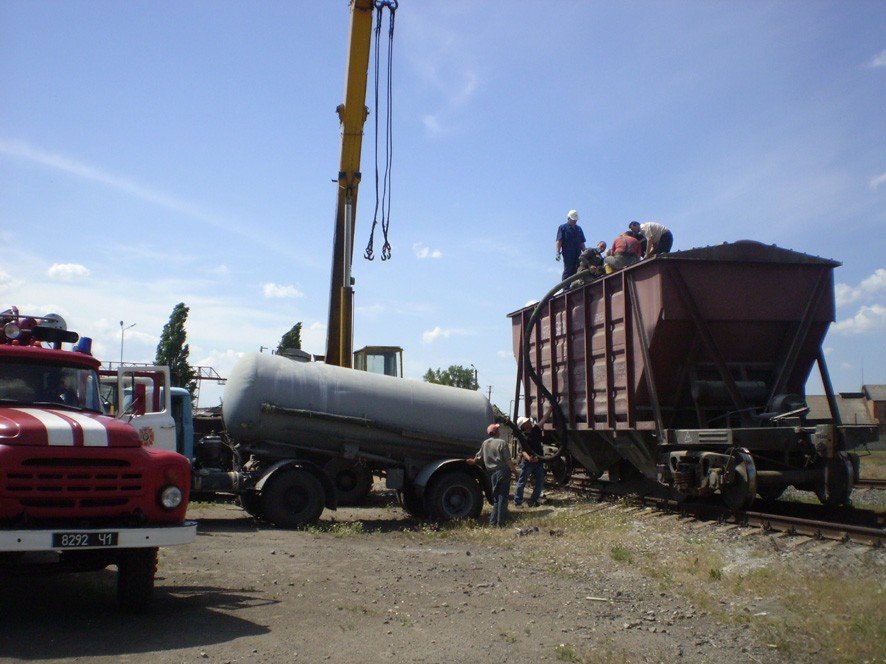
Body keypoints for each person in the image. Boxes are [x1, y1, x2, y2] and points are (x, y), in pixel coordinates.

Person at [466, 423, 518, 527]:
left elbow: (477, 458)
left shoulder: (485, 443)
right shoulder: (502, 443)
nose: (499, 431)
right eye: (498, 430)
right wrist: (515, 471)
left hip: (491, 473)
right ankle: (500, 523)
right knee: (503, 497)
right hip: (502, 471)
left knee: (496, 498)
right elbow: (507, 460)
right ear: (496, 432)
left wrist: (471, 461)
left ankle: (492, 522)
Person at [514, 414, 548, 508]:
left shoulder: (536, 429)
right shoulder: (522, 437)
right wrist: (529, 458)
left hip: (538, 461)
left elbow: (544, 418)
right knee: (522, 482)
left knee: (540, 482)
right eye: (527, 421)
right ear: (524, 425)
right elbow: (522, 450)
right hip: (528, 462)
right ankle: (518, 502)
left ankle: (533, 500)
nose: (529, 421)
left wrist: (551, 408)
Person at [555, 209, 586, 281]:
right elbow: (559, 241)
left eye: (576, 220)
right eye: (573, 220)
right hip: (568, 252)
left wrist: (585, 252)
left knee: (577, 269)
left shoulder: (579, 229)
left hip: (578, 252)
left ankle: (574, 286)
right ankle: (566, 288)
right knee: (568, 269)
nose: (575, 221)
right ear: (568, 218)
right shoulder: (563, 228)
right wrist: (557, 252)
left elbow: (582, 243)